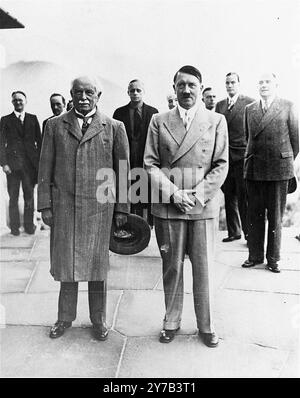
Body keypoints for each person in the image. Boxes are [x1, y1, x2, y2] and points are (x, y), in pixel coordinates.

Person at [38, 76, 130, 340]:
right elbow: (44, 169)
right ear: (71, 94)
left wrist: (122, 209)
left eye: (89, 92)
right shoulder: (54, 126)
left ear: (98, 95)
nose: (83, 97)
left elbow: (122, 172)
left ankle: (99, 321)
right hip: (65, 208)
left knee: (97, 269)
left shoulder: (114, 127)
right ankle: (64, 318)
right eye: (78, 92)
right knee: (67, 267)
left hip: (99, 210)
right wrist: (45, 205)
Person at [144, 65, 228, 347]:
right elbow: (150, 164)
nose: (187, 90)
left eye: (192, 85)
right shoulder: (158, 120)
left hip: (202, 207)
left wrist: (198, 195)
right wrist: (174, 194)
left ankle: (207, 325)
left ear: (201, 88)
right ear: (174, 88)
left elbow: (221, 165)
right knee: (173, 268)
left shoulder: (216, 121)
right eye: (182, 85)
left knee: (204, 270)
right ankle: (171, 321)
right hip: (169, 206)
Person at [242, 72, 299, 273]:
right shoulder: (250, 109)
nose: (264, 85)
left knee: (275, 217)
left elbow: (295, 140)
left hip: (278, 170)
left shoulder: (288, 106)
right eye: (261, 82)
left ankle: (273, 258)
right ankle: (254, 256)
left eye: (268, 82)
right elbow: (247, 137)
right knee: (254, 215)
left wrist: (283, 159)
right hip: (255, 169)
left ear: (276, 85)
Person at [216, 73, 255, 243]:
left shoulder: (249, 103)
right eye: (227, 83)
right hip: (225, 157)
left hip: (242, 157)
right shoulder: (220, 105)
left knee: (244, 197)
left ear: (239, 84)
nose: (230, 85)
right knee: (228, 195)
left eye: (233, 82)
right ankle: (234, 232)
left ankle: (250, 234)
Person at [113, 79, 158, 225]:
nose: (135, 93)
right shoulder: (119, 113)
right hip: (126, 159)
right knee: (127, 191)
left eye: (138, 90)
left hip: (145, 158)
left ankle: (147, 224)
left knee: (146, 192)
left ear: (143, 92)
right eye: (132, 90)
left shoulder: (153, 113)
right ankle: (129, 223)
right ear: (128, 92)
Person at [0, 91, 42, 235]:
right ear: (12, 102)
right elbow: (1, 143)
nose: (18, 102)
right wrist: (4, 164)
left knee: (29, 197)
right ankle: (14, 228)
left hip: (30, 167)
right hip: (12, 166)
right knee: (13, 197)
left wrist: (39, 164)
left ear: (25, 101)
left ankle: (29, 226)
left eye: (20, 100)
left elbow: (40, 142)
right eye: (15, 100)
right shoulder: (5, 120)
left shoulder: (32, 118)